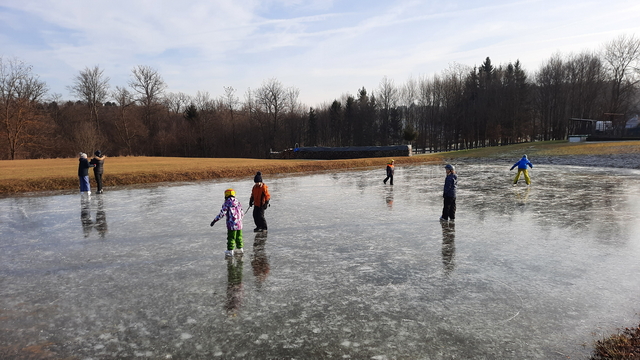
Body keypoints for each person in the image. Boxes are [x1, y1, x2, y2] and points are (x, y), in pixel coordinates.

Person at [211, 188, 244, 257]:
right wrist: (240, 219)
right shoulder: (238, 202)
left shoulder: (226, 203)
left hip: (231, 224)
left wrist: (214, 220)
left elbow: (222, 213)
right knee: (239, 236)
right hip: (239, 224)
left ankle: (230, 250)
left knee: (231, 237)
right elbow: (242, 212)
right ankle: (240, 248)